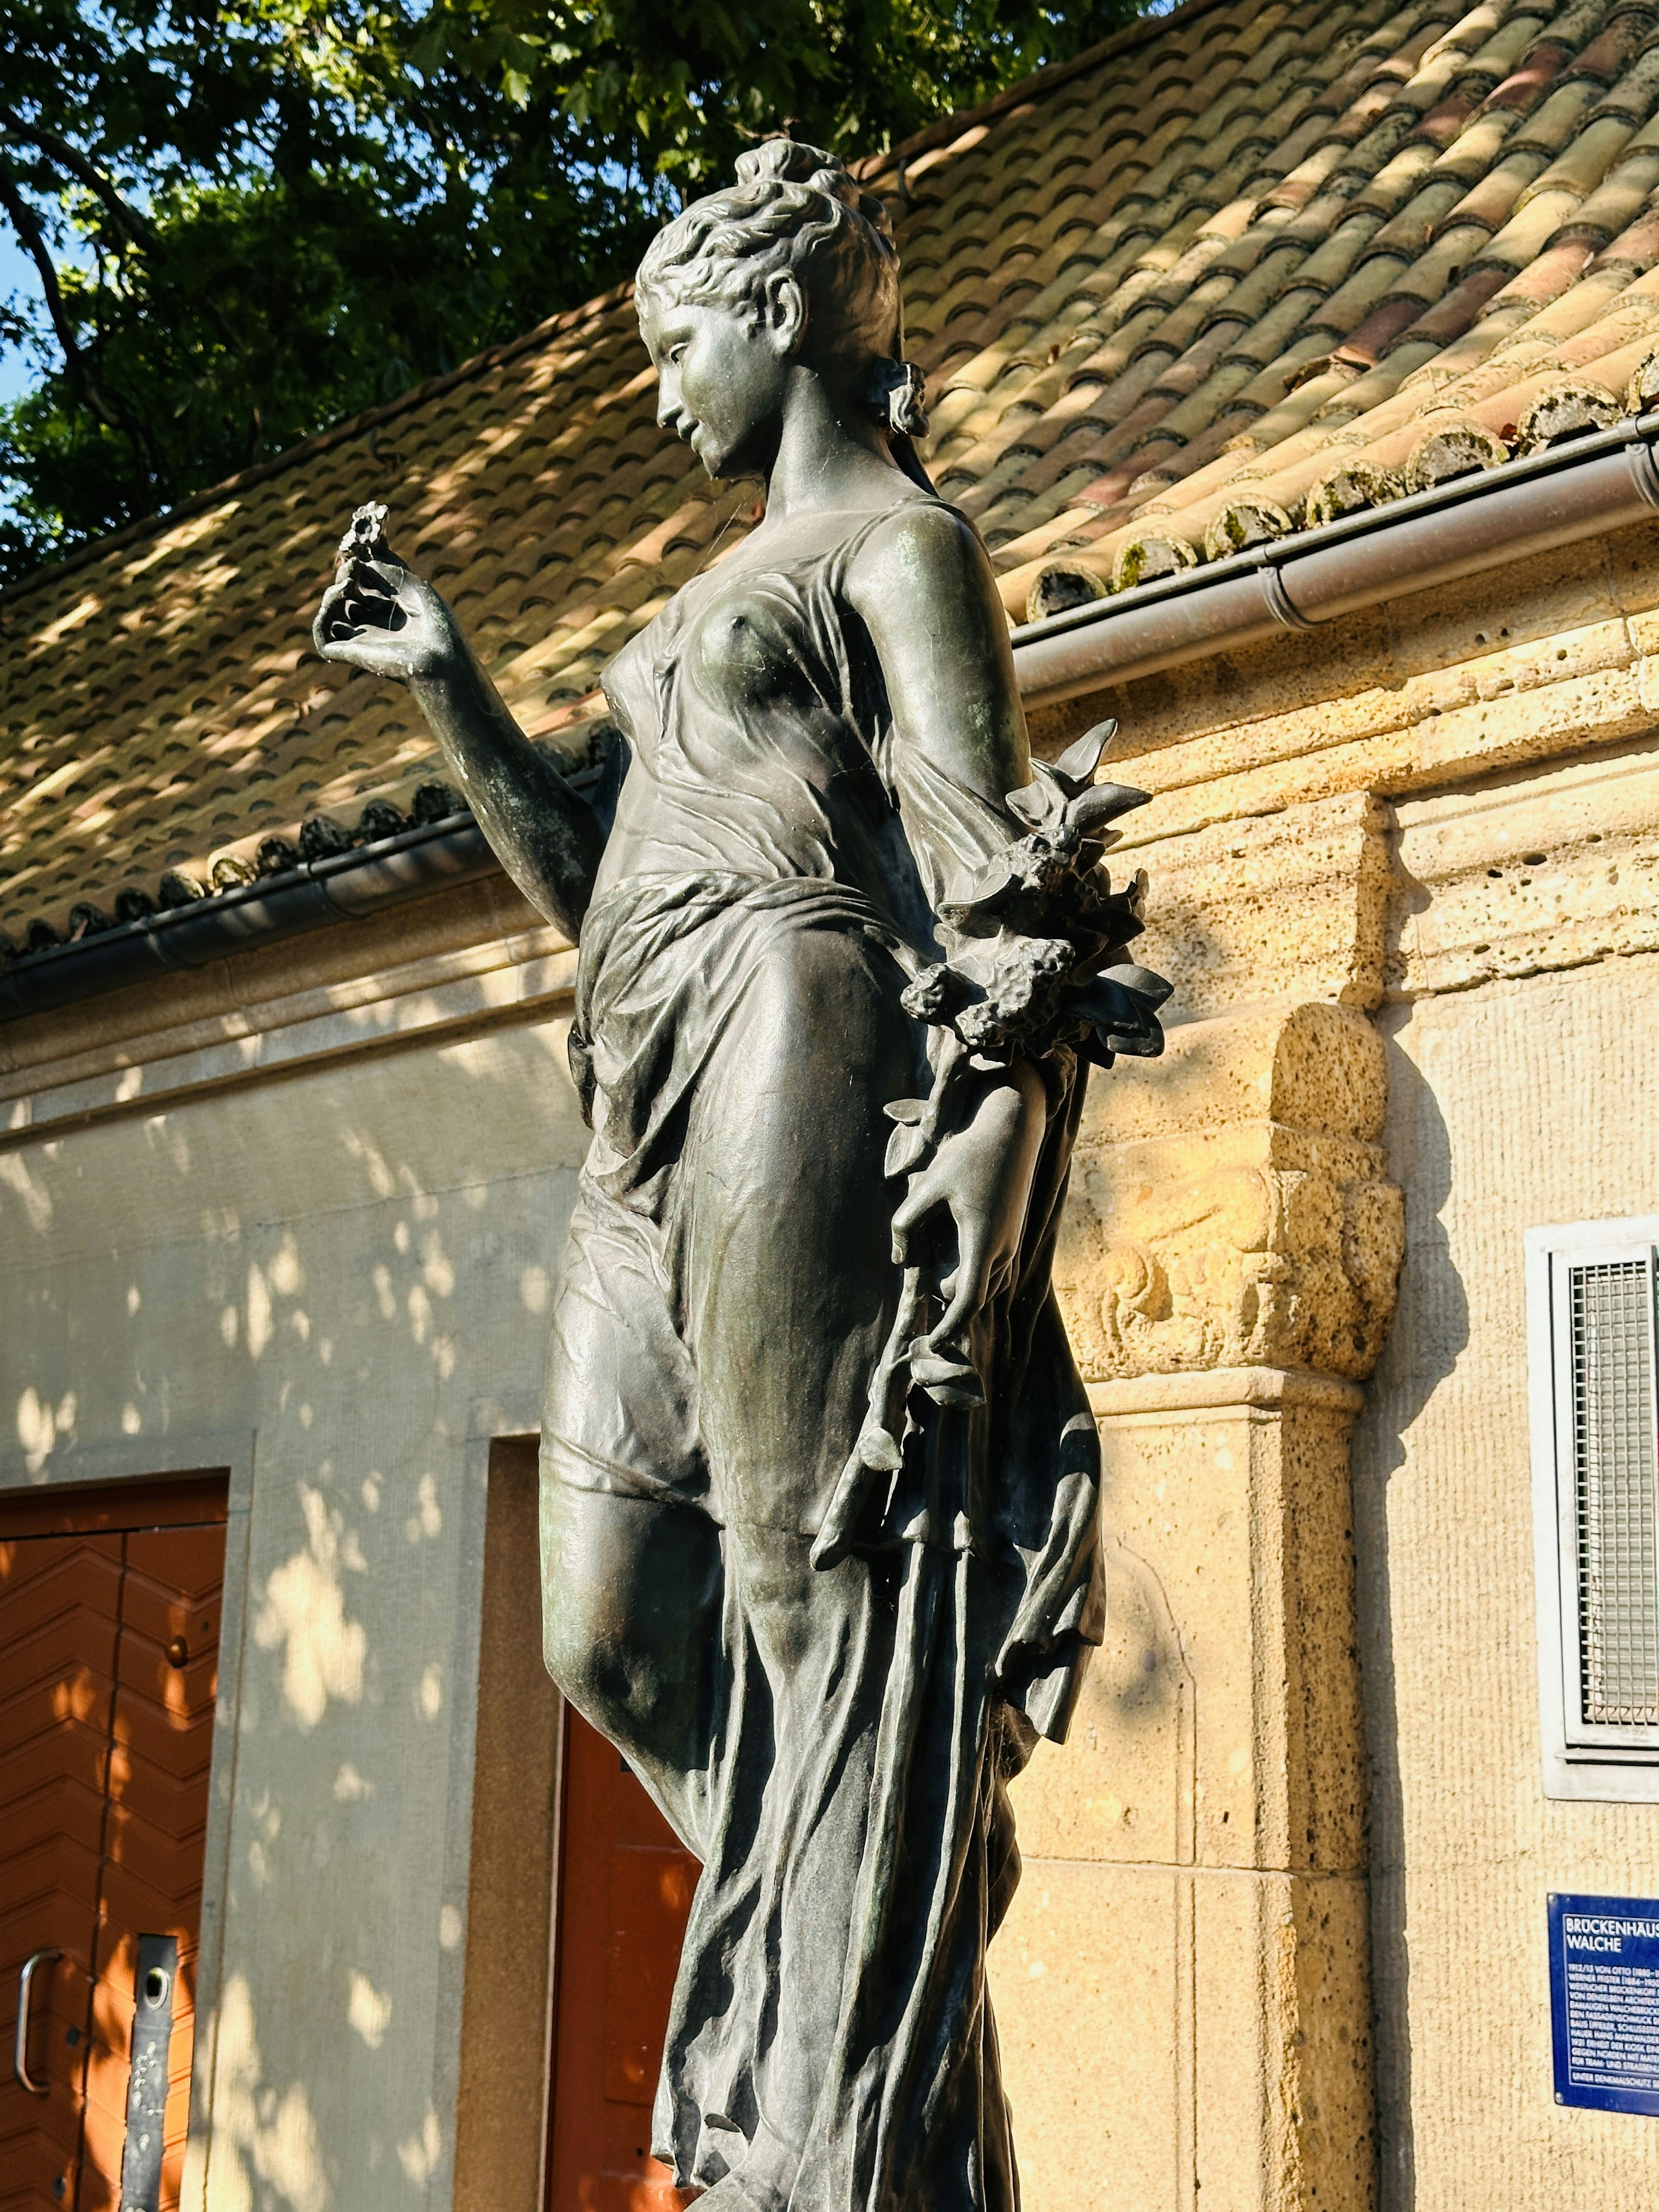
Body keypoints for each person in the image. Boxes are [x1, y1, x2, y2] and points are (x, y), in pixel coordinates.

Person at [314, 137, 1165, 2212]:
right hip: (640, 1094)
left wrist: (999, 1125)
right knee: (606, 1632)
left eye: (673, 341)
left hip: (800, 1025)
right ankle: (871, 1984)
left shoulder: (902, 547)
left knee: (812, 1590)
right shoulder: (701, 597)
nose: (654, 392)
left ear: (780, 317)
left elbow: (999, 872)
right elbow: (591, 891)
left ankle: (836, 2125)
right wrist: (451, 692)